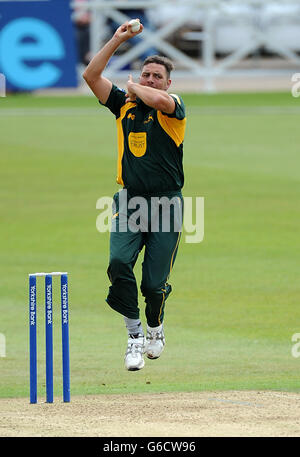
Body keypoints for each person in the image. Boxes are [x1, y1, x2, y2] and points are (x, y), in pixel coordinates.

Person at [83, 20, 186, 371]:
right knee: (117, 264)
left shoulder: (172, 106)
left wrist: (132, 87)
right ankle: (134, 336)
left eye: (157, 76)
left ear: (168, 83)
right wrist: (117, 38)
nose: (150, 80)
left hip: (167, 203)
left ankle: (156, 328)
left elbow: (159, 101)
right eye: (146, 75)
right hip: (130, 201)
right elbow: (91, 77)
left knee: (154, 284)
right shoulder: (124, 106)